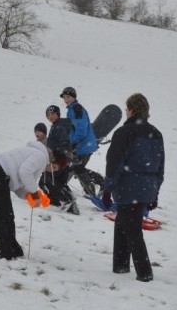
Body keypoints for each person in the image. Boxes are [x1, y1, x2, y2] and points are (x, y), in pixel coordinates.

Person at [103, 93, 164, 282]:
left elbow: (114, 162)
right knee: (124, 222)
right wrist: (155, 192)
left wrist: (107, 188)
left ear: (131, 110)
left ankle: (145, 273)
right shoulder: (156, 133)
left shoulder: (125, 132)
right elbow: (160, 166)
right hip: (147, 187)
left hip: (129, 187)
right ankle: (120, 266)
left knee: (133, 230)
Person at [0, 139, 51, 260]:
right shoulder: (40, 156)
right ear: (51, 160)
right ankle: (7, 251)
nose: (52, 171)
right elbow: (24, 172)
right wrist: (35, 193)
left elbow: (18, 187)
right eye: (54, 168)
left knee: (7, 215)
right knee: (3, 215)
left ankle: (13, 249)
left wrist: (29, 196)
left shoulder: (35, 154)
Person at [60, 86, 104, 197]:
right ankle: (96, 185)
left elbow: (81, 129)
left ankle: (93, 187)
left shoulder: (76, 109)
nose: (66, 99)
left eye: (68, 97)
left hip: (83, 145)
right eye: (64, 97)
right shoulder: (72, 109)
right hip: (83, 144)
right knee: (78, 168)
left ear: (74, 97)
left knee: (77, 168)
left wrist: (74, 143)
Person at [42, 104, 78, 213]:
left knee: (46, 180)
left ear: (58, 114)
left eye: (53, 114)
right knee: (57, 182)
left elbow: (65, 143)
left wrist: (64, 156)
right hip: (61, 159)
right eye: (48, 115)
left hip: (60, 159)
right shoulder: (57, 125)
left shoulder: (59, 126)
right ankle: (65, 202)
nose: (50, 116)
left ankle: (66, 200)